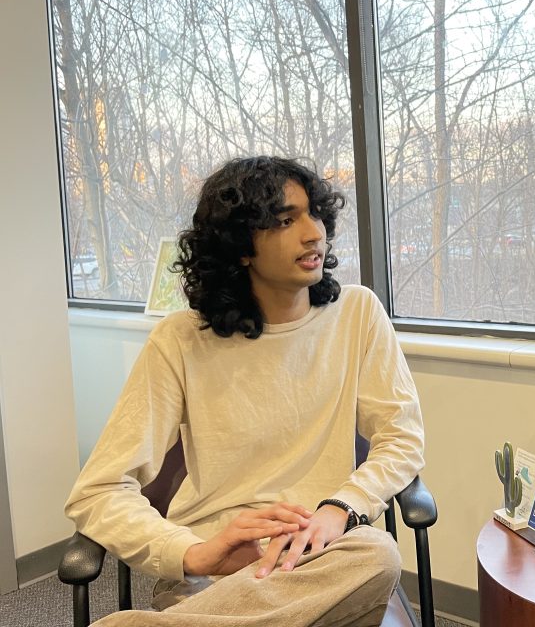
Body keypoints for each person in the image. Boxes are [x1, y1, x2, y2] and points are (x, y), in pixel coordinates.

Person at [65, 156, 425, 626]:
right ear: (239, 248)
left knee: (376, 554)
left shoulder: (357, 313)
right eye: (284, 220)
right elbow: (98, 491)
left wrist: (340, 509)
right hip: (216, 573)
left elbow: (402, 438)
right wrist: (194, 553)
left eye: (314, 213)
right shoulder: (180, 340)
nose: (314, 232)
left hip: (322, 555)